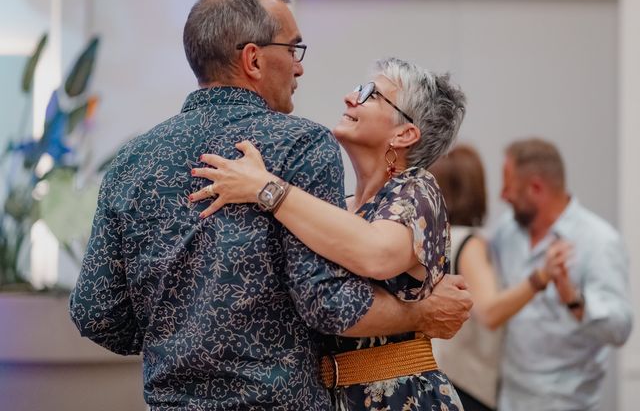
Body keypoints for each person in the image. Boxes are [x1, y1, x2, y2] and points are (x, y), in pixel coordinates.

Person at [69, 0, 472, 410]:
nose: (299, 68)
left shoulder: (131, 160)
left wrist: (176, 339)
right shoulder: (300, 145)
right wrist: (422, 313)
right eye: (293, 50)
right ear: (254, 59)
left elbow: (96, 312)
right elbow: (330, 304)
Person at [190, 57, 467, 410]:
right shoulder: (338, 206)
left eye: (371, 94)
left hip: (402, 396)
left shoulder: (417, 189)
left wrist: (266, 188)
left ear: (405, 133)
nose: (351, 98)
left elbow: (376, 253)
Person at [491, 138, 633, 411]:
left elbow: (620, 330)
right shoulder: (506, 231)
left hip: (565, 403)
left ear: (535, 188)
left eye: (509, 186)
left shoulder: (599, 241)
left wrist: (573, 298)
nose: (503, 196)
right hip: (508, 399)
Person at [429, 144, 569, 411]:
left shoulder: (431, 242)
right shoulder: (468, 244)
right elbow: (489, 313)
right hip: (465, 387)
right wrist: (540, 277)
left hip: (438, 381)